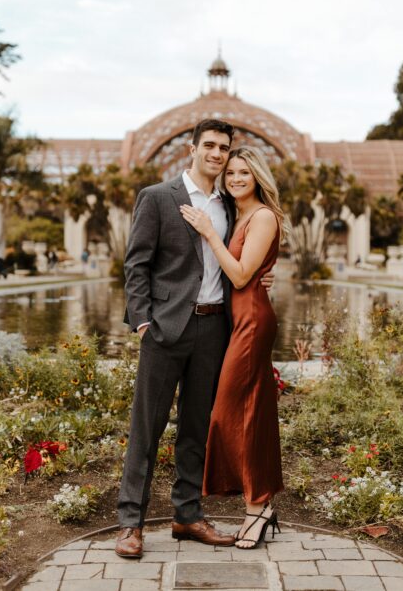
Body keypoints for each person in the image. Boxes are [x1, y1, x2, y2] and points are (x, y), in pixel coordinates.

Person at [115, 119, 274, 559]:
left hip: (214, 328)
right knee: (146, 429)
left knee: (195, 429)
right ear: (192, 148)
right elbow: (136, 265)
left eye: (224, 148)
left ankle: (187, 514)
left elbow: (241, 257)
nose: (217, 154)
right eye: (209, 145)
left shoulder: (230, 204)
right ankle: (131, 524)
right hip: (166, 328)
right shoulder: (158, 197)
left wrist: (264, 276)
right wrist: (143, 321)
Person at [180, 146, 285, 549]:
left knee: (229, 414)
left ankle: (257, 508)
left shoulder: (261, 216)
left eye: (244, 172)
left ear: (257, 176)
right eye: (232, 172)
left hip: (253, 322)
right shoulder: (240, 214)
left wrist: (208, 231)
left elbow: (241, 276)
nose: (236, 178)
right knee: (248, 414)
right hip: (238, 319)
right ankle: (259, 506)